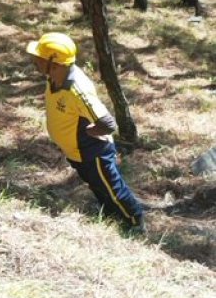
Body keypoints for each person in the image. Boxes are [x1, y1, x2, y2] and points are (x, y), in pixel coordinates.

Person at [26, 32, 145, 232]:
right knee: (96, 185)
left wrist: (92, 132)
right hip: (76, 152)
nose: (34, 61)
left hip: (93, 152)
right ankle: (111, 214)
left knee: (113, 189)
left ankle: (135, 221)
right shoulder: (54, 77)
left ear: (55, 63)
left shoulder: (77, 90)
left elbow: (107, 123)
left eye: (39, 58)